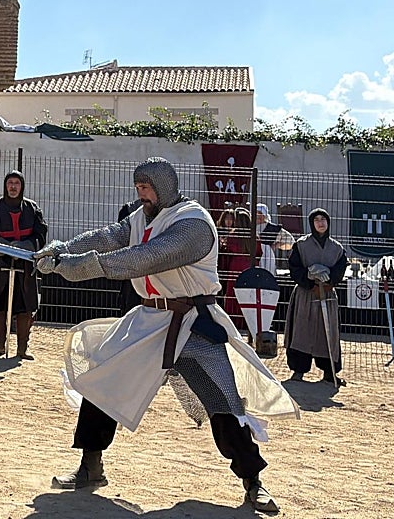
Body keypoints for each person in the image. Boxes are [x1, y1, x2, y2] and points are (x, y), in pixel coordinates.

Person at [33, 157, 297, 514]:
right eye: (138, 188)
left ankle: (253, 481)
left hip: (193, 322)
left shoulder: (194, 223)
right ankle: (90, 467)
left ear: (164, 187)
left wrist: (79, 267)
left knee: (224, 402)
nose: (141, 195)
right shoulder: (143, 216)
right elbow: (111, 236)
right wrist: (63, 249)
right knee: (101, 381)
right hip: (148, 317)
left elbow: (146, 258)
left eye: (146, 188)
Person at [0, 170, 48, 359]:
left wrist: (27, 245)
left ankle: (22, 348)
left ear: (21, 186)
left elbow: (41, 233)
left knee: (25, 305)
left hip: (24, 262)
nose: (13, 187)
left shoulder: (32, 208)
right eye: (10, 183)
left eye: (16, 183)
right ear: (5, 186)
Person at [285, 208, 347, 384]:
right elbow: (294, 268)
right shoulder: (301, 245)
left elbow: (340, 269)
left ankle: (330, 371)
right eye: (316, 220)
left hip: (327, 295)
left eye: (323, 219)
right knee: (301, 331)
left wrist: (330, 282)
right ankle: (298, 370)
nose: (320, 222)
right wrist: (309, 280)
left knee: (328, 334)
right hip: (306, 294)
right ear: (311, 223)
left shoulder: (336, 248)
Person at [218, 207, 255, 330]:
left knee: (233, 294)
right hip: (250, 267)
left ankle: (233, 322)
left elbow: (227, 250)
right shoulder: (254, 236)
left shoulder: (233, 235)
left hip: (235, 267)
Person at [255, 204, 293, 270]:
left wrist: (275, 246)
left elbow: (290, 240)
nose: (258, 215)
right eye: (256, 213)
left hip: (267, 257)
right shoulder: (249, 226)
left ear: (265, 215)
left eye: (260, 213)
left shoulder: (273, 228)